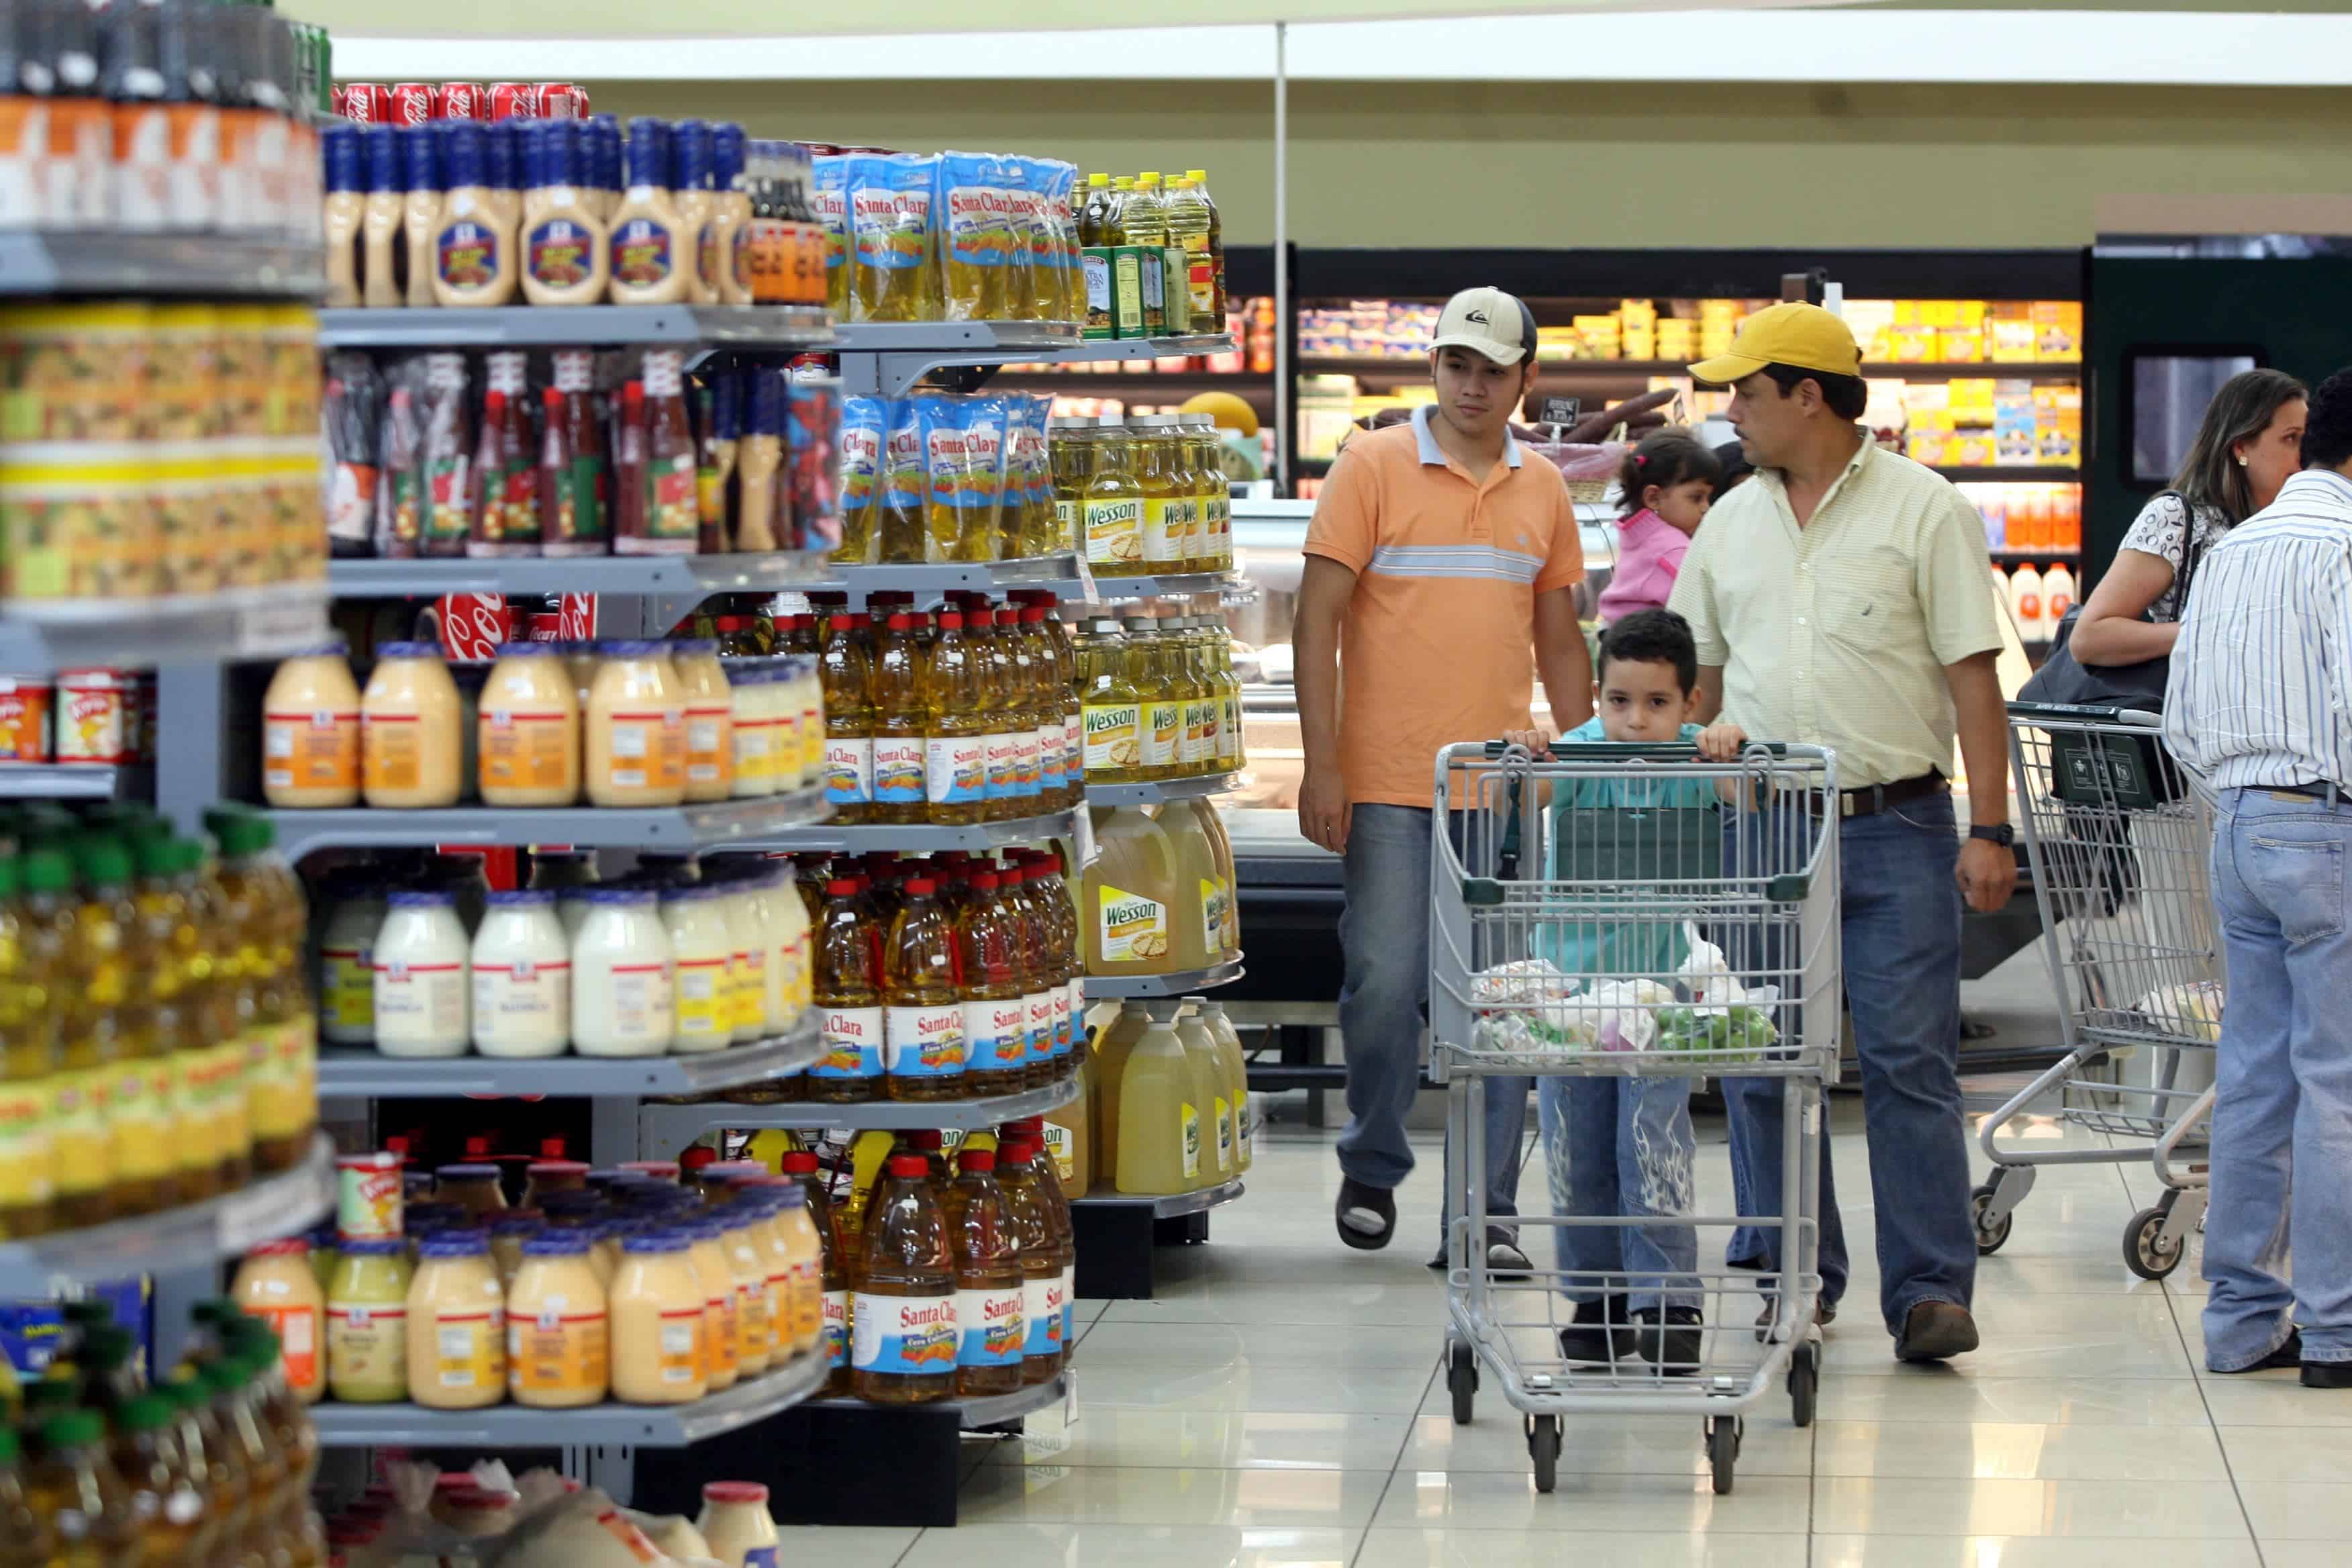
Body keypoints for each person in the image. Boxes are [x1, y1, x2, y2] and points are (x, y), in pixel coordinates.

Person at [1666, 301, 2013, 1363]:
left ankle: (1928, 1296)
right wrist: (1697, 750)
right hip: (1762, 828)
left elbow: (1972, 677)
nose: (1731, 415)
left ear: (1806, 396)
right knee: (1767, 1060)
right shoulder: (1730, 519)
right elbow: (1693, 676)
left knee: (1911, 1062)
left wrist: (1989, 826)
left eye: (1746, 393)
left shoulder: (1927, 510)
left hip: (1899, 821)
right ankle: (1789, 1278)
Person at [1297, 285, 1594, 1261]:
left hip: (1499, 789)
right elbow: (1317, 620)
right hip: (1386, 785)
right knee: (1384, 984)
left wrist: (1592, 759)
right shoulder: (1372, 464)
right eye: (1457, 364)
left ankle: (1489, 1212)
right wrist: (1322, 764)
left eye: (1493, 370)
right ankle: (1374, 1160)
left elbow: (1559, 638)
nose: (1472, 385)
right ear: (1434, 366)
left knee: (1502, 1001)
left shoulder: (1543, 487)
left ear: (1526, 380)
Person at [2163, 366, 2352, 1387]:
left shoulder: (2236, 547)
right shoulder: (2346, 547)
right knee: (2339, 1086)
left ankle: (2242, 1323)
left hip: (2235, 823)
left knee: (2254, 1080)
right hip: (2327, 824)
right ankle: (2337, 1330)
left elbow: (2181, 714)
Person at [1523, 609, 1741, 1372]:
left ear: (1690, 704)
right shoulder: (1574, 756)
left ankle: (1669, 1297)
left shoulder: (1697, 760)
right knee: (1573, 1148)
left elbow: (1747, 802)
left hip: (1664, 1000)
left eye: (1657, 704)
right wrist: (1526, 760)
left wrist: (1725, 753)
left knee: (1651, 1143)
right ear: (1594, 695)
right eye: (1619, 701)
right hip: (1568, 998)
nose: (1636, 720)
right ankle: (1595, 1294)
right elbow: (1518, 797)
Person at [2071, 369, 2305, 665]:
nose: (2304, 454)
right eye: (2291, 438)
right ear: (2241, 447)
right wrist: (2205, 632)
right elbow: (2089, 638)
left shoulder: (2296, 523)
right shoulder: (2176, 518)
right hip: (2190, 705)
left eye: (2308, 440)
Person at [1596, 432, 1720, 625]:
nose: (1706, 508)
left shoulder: (1640, 537)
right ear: (1653, 498)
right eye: (1696, 497)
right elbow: (1708, 605)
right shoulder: (1672, 548)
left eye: (1708, 498)